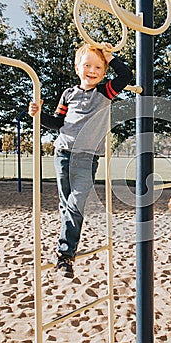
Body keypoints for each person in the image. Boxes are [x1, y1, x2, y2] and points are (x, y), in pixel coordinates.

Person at [29, 42, 133, 278]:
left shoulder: (105, 91)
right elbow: (57, 123)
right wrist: (38, 115)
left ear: (104, 72)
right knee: (66, 204)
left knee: (76, 204)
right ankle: (65, 254)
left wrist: (110, 56)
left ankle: (65, 255)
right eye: (87, 65)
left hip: (87, 157)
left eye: (98, 67)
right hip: (63, 153)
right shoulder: (69, 94)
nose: (92, 70)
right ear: (78, 68)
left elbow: (126, 75)